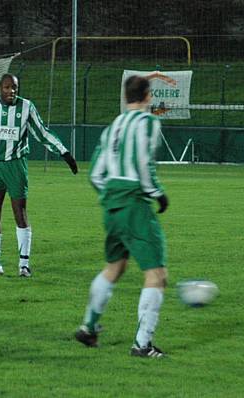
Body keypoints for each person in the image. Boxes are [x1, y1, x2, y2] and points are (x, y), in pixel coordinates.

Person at [74, 75, 169, 358]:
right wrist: (156, 193)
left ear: (127, 96)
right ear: (148, 96)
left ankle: (88, 328)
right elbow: (143, 161)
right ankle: (143, 345)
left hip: (111, 204)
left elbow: (95, 174)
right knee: (157, 274)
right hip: (134, 204)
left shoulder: (113, 126)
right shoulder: (149, 123)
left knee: (115, 266)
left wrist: (111, 196)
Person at [0, 73, 78, 278]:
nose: (11, 91)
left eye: (14, 87)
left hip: (16, 166)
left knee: (20, 213)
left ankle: (24, 265)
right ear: (0, 88)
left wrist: (64, 152)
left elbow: (42, 133)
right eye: (7, 87)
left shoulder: (26, 107)